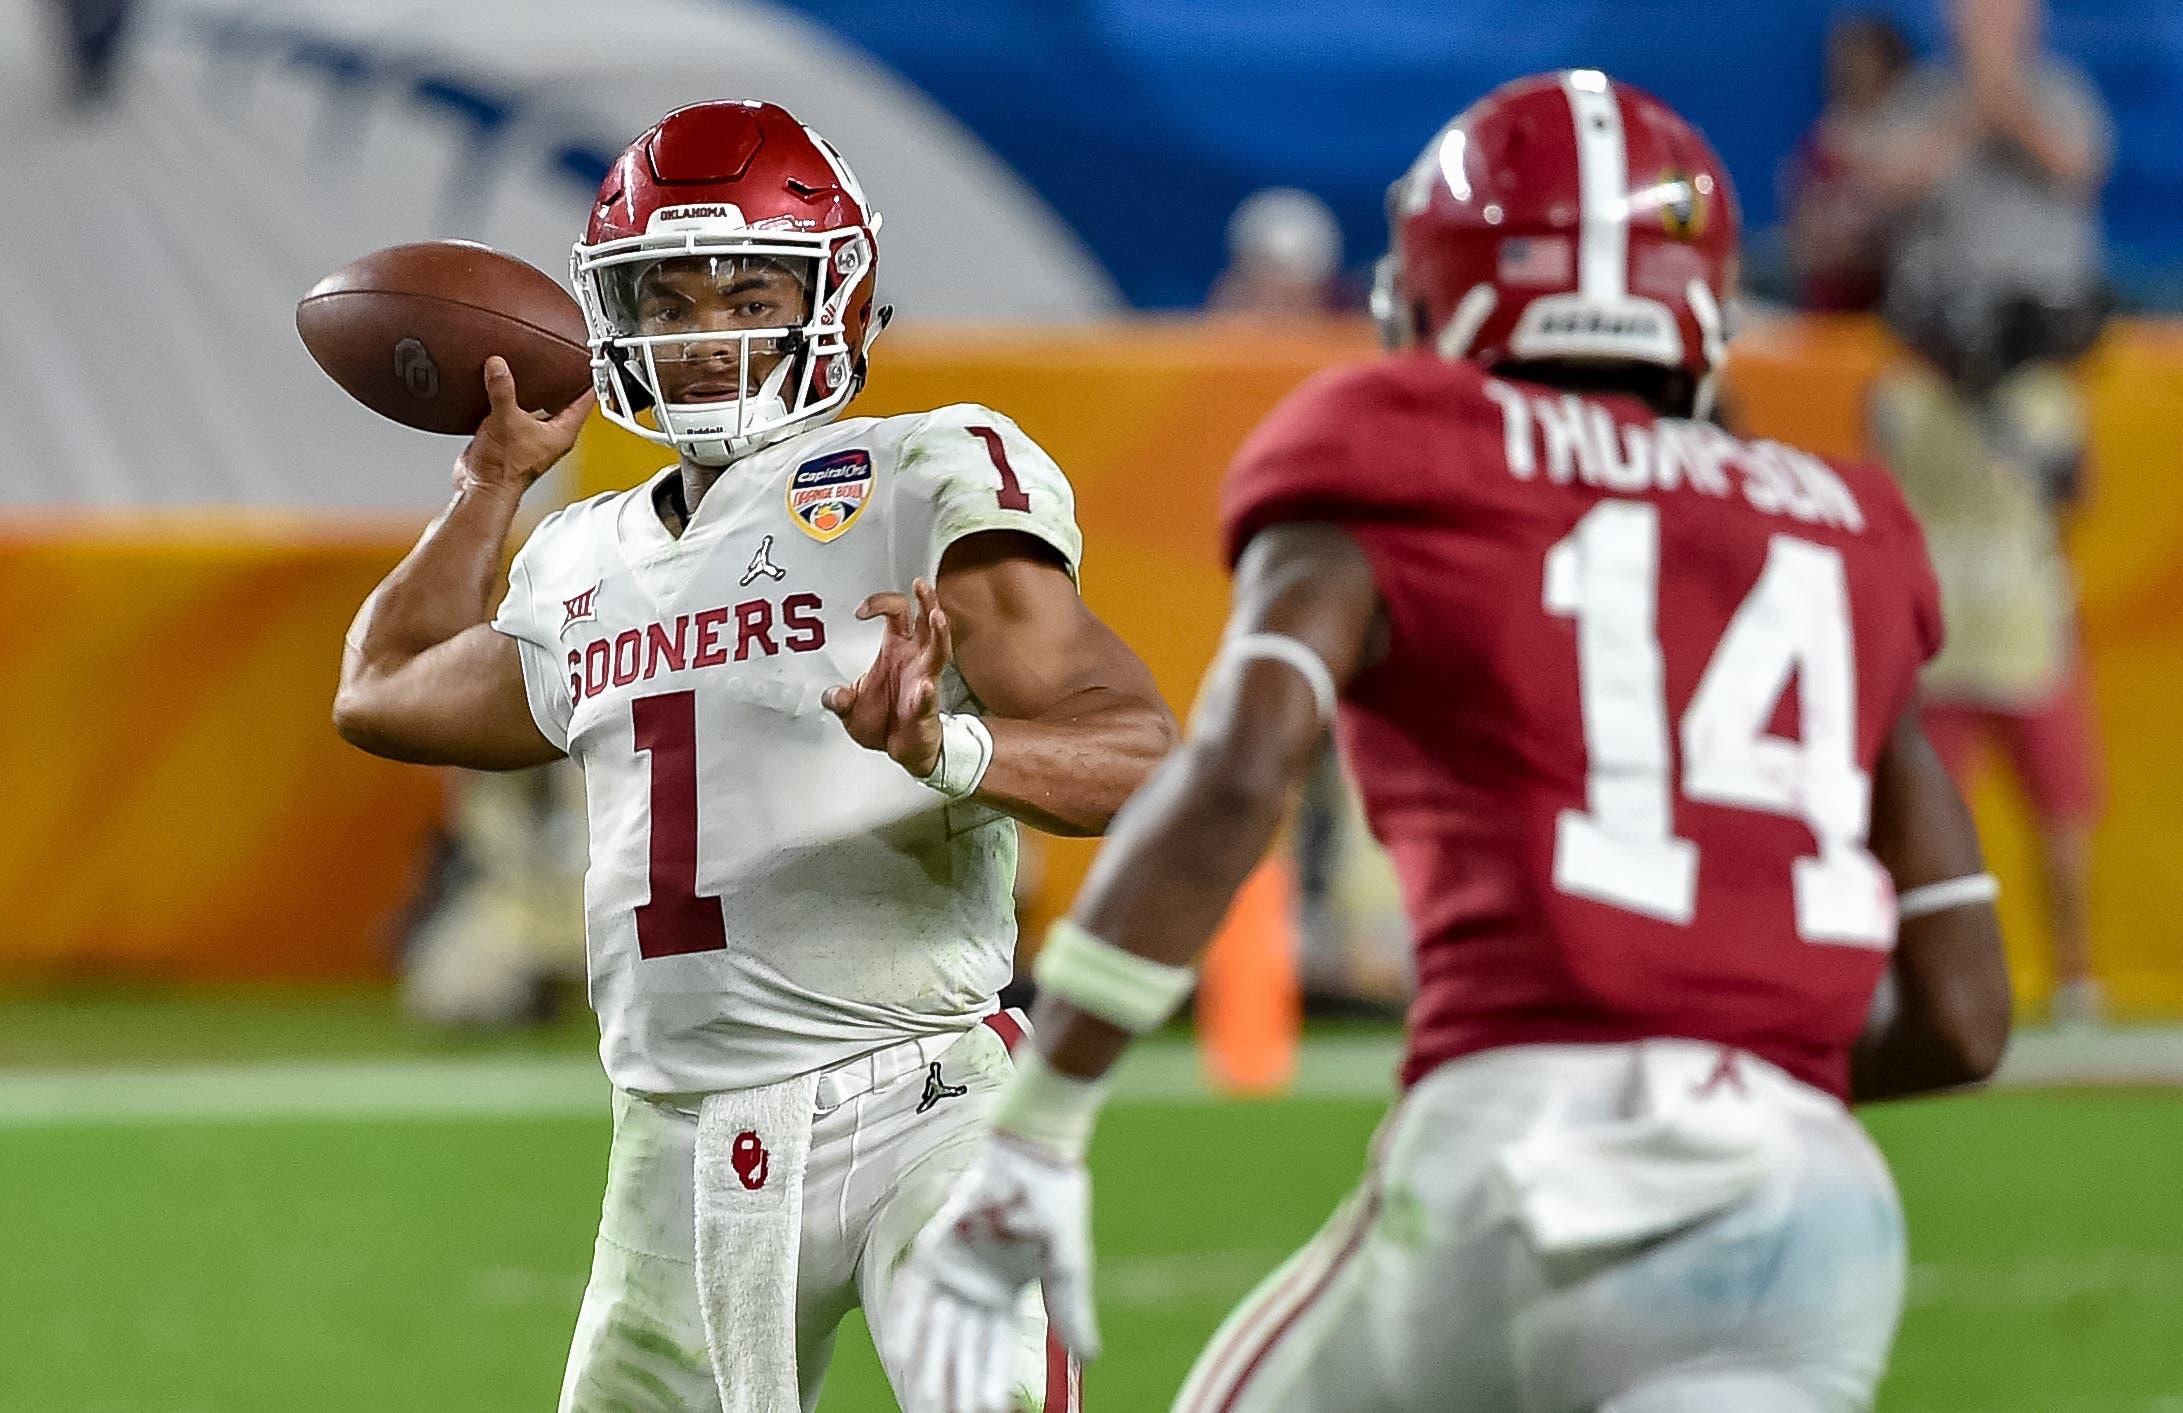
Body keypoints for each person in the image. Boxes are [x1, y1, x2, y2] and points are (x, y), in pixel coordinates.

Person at [891, 71, 2012, 1413]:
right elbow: (1958, 1017)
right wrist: (1738, 1067)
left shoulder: (1400, 442)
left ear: (1434, 291)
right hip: (1812, 1204)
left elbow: (1240, 770)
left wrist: (1040, 1127)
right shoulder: (1840, 522)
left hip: (1529, 1151)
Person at [332, 99, 1177, 1413]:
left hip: (925, 1104)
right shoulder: (579, 559)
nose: (709, 331)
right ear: (613, 323)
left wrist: (947, 743)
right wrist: (490, 485)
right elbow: (379, 690)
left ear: (834, 301)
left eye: (749, 289)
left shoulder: (921, 473)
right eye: (665, 298)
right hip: (673, 1141)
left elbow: (1136, 754)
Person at [1864, 0, 2110, 1023]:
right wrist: (1970, 108)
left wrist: (2001, 100)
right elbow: (1887, 180)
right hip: (1947, 622)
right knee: (1932, 803)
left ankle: (2075, 976)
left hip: (2019, 616)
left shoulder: (2045, 404)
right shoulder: (1903, 401)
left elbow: (2067, 162)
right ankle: (1931, 972)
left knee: (2059, 809)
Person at [1779, 15, 1915, 311]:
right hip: (1827, 308)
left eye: (1864, 60)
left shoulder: (1910, 140)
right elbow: (1803, 237)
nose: (1852, 69)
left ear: (1887, 64)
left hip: (1890, 308)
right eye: (1844, 60)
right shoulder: (1819, 141)